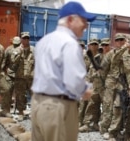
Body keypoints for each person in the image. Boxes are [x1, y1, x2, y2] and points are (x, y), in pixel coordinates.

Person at [30, 2, 95, 141]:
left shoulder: (44, 41)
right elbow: (74, 81)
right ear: (71, 20)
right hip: (58, 107)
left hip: (38, 103)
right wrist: (85, 90)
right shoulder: (69, 43)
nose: (86, 25)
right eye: (83, 20)